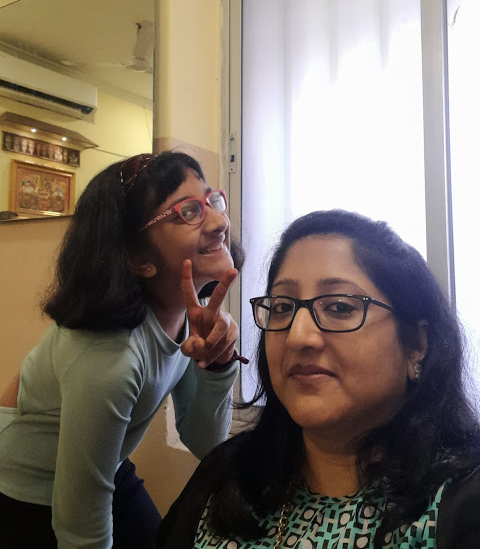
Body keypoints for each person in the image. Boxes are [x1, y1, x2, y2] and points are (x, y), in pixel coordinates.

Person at [157, 209, 480, 549]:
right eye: (282, 308)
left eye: (339, 307)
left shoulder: (462, 500)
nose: (298, 337)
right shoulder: (226, 475)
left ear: (416, 345)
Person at [0, 151, 245, 549]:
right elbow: (79, 526)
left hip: (103, 466)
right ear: (137, 258)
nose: (219, 221)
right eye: (188, 211)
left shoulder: (185, 315)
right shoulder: (110, 359)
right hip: (26, 484)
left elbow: (204, 443)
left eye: (211, 200)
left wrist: (217, 367)